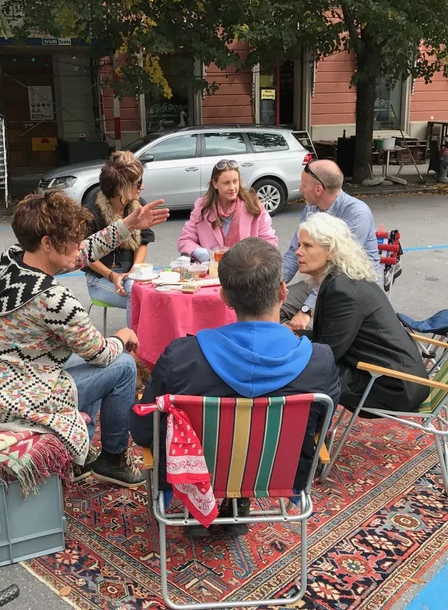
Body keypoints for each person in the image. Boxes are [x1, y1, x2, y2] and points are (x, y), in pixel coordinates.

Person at [131, 237, 340, 535]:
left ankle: (206, 496)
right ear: (282, 291)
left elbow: (143, 430)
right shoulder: (319, 362)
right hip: (280, 474)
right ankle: (239, 493)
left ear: (224, 298)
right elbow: (322, 429)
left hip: (195, 472)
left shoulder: (182, 356)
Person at [0, 190, 169, 487]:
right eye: (72, 240)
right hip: (17, 399)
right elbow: (100, 353)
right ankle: (111, 460)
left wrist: (127, 223)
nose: (79, 247)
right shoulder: (52, 299)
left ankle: (85, 449)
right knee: (123, 365)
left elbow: (81, 253)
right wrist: (123, 335)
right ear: (48, 243)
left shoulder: (12, 259)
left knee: (88, 360)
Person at [292, 212, 429, 415]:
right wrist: (292, 335)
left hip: (392, 388)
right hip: (395, 378)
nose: (298, 252)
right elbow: (329, 339)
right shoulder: (342, 279)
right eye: (299, 245)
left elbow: (328, 353)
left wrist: (286, 346)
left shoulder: (341, 289)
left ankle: (307, 436)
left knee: (303, 371)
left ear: (330, 252)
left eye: (307, 246)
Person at [281, 159, 379, 331]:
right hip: (318, 283)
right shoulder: (311, 208)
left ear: (318, 189)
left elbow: (339, 267)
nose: (301, 189)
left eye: (304, 185)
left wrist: (307, 308)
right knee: (271, 308)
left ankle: (308, 349)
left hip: (352, 287)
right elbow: (293, 251)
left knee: (319, 325)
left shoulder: (357, 213)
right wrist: (276, 282)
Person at [83, 151, 155, 326]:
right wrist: (112, 275)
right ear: (119, 189)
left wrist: (134, 270)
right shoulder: (92, 211)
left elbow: (143, 242)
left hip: (131, 276)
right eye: (138, 183)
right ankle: (136, 348)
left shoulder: (138, 205)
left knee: (158, 293)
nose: (142, 187)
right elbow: (85, 256)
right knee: (140, 296)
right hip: (100, 279)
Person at [177, 159, 278, 261]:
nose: (232, 187)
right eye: (226, 183)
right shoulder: (202, 207)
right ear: (215, 184)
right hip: (211, 271)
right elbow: (185, 240)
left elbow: (270, 242)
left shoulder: (254, 206)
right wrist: (199, 252)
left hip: (246, 272)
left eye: (235, 181)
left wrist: (250, 257)